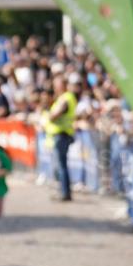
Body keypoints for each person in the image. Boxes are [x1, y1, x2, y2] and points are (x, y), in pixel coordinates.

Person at [47, 72, 81, 201]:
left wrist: (50, 116)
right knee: (60, 165)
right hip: (61, 134)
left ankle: (65, 193)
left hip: (62, 135)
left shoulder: (66, 98)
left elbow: (55, 115)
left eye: (56, 84)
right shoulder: (64, 97)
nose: (54, 87)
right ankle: (63, 191)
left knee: (61, 166)